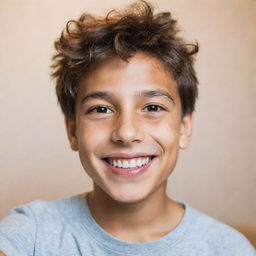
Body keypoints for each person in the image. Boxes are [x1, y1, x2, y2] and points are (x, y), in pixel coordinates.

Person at [0, 1, 255, 255]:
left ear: (184, 128)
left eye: (153, 108)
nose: (126, 133)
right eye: (101, 109)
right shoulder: (31, 232)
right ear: (73, 131)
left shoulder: (228, 248)